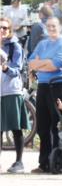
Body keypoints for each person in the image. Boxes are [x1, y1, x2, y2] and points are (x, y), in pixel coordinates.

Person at [26, 17, 62, 173]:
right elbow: (31, 62)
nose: (51, 28)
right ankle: (44, 163)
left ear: (60, 27)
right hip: (43, 86)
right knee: (43, 126)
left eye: (54, 26)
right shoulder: (42, 44)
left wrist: (41, 64)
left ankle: (60, 163)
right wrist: (45, 63)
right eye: (48, 26)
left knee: (57, 125)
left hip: (60, 86)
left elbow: (57, 65)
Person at [2, 17, 30, 173]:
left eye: (5, 28)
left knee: (16, 127)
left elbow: (17, 70)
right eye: (0, 27)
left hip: (12, 91)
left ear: (10, 30)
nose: (2, 30)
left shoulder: (15, 47)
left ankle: (19, 162)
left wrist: (5, 68)